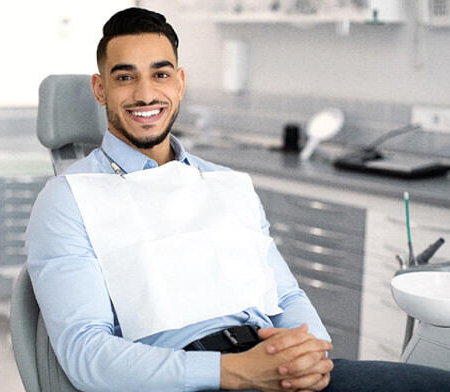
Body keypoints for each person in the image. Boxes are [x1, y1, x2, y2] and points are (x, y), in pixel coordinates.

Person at [26, 7, 450, 392]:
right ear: (100, 89)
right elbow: (86, 353)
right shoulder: (69, 199)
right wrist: (235, 372)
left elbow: (285, 299)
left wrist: (312, 355)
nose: (144, 94)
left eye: (160, 73)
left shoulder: (225, 183)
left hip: (279, 371)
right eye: (125, 77)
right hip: (189, 378)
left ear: (180, 81)